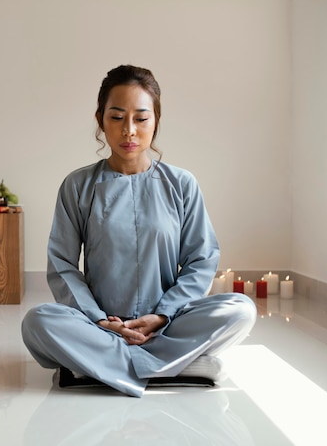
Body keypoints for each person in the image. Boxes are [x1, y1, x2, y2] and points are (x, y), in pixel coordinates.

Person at [21, 65, 256, 398]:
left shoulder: (182, 184)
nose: (129, 130)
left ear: (156, 120)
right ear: (100, 119)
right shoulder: (77, 185)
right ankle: (176, 366)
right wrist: (100, 320)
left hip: (168, 324)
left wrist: (161, 315)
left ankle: (96, 366)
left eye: (141, 118)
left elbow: (201, 259)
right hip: (101, 326)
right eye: (117, 118)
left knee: (240, 310)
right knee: (38, 322)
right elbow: (62, 265)